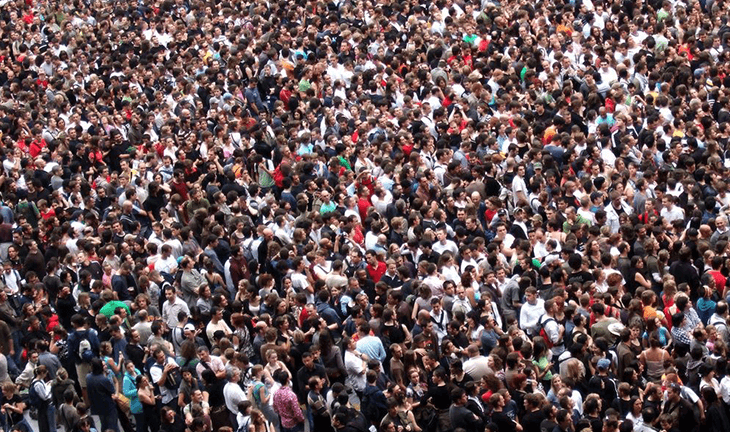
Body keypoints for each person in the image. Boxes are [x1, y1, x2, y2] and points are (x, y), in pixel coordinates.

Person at [86, 358, 119, 432]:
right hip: (108, 407)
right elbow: (112, 391)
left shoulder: (88, 377)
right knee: (113, 427)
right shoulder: (104, 380)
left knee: (104, 425)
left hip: (97, 407)